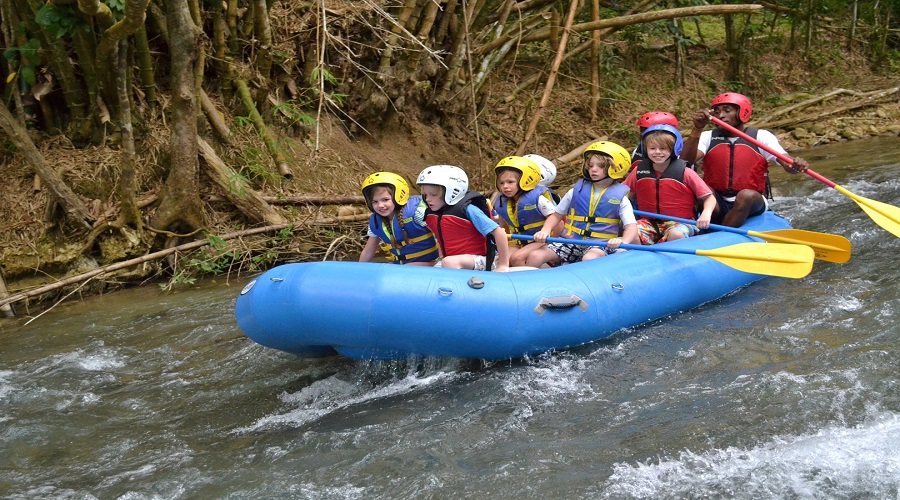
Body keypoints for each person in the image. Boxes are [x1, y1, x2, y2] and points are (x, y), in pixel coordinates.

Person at [681, 92, 810, 227]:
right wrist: (697, 129)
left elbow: (787, 164)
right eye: (717, 112)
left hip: (751, 202)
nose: (721, 115)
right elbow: (685, 163)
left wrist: (795, 165)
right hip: (716, 201)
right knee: (700, 188)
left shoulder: (761, 136)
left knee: (745, 196)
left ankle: (724, 234)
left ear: (742, 112)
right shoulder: (708, 136)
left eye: (727, 110)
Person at [527, 141, 638, 267]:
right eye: (590, 165)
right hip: (570, 241)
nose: (593, 169)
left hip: (599, 244)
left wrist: (623, 241)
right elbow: (556, 215)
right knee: (535, 255)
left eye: (600, 166)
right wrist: (545, 230)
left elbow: (631, 227)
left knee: (589, 258)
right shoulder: (575, 191)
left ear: (616, 168)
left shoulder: (621, 198)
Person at [623, 124, 715, 244]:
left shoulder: (685, 172)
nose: (657, 152)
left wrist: (706, 214)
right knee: (631, 232)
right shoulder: (639, 171)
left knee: (675, 234)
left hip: (681, 222)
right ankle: (639, 258)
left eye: (663, 149)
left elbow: (709, 197)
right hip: (648, 222)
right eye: (652, 148)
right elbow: (625, 195)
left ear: (674, 149)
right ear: (645, 149)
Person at [415, 165, 510, 272]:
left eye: (433, 194)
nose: (427, 199)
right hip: (453, 261)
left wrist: (503, 265)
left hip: (482, 260)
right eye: (425, 195)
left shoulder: (469, 210)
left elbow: (499, 233)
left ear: (452, 192)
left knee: (449, 262)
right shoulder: (432, 214)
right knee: (430, 267)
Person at [359, 172, 438, 265]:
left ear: (399, 196)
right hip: (401, 266)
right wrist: (357, 272)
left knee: (408, 267)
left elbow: (441, 236)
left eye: (385, 200)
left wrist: (441, 262)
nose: (380, 205)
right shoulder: (376, 221)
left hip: (431, 263)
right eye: (375, 202)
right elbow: (368, 251)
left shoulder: (417, 212)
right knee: (385, 268)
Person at [492, 155, 559, 267]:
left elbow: (557, 220)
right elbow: (505, 227)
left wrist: (549, 237)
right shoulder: (501, 202)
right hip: (519, 241)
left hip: (540, 241)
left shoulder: (538, 199)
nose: (505, 187)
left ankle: (525, 283)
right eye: (502, 183)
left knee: (517, 258)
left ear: (524, 181)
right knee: (502, 259)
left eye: (510, 182)